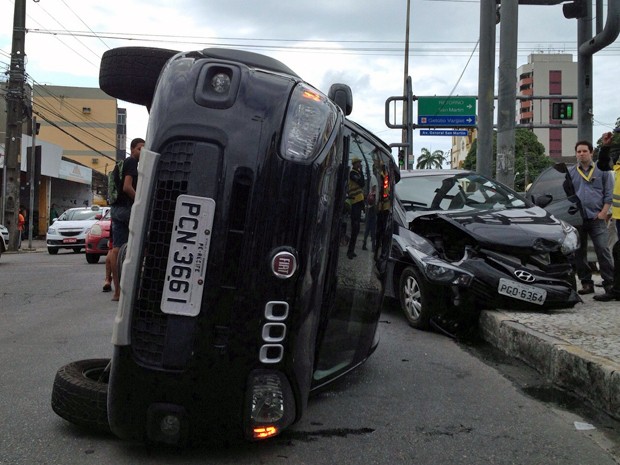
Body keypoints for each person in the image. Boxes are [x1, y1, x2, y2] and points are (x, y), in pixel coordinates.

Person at [568, 139, 614, 295]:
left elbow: (609, 194)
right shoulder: (571, 172)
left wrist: (603, 212)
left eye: (584, 151)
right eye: (578, 151)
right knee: (579, 253)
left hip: (597, 217)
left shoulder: (602, 169)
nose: (581, 154)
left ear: (591, 152)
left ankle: (609, 282)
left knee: (603, 250)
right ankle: (586, 283)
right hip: (578, 219)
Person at [108, 137, 144, 301]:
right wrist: (141, 201)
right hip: (127, 209)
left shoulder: (120, 164)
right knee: (142, 243)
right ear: (132, 149)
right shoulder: (131, 163)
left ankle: (117, 292)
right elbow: (127, 187)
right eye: (139, 148)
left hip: (115, 209)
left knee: (116, 249)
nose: (142, 151)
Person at [594, 131, 620, 301]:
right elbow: (603, 166)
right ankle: (617, 290)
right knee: (618, 251)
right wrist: (605, 146)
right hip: (618, 215)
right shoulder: (618, 158)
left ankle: (616, 290)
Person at [347, 157, 365, 259]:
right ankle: (350, 251)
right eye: (358, 163)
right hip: (354, 202)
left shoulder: (357, 173)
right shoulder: (353, 173)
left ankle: (351, 250)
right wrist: (361, 173)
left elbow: (363, 183)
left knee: (356, 229)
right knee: (355, 227)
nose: (359, 164)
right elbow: (362, 183)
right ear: (354, 164)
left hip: (358, 202)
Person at [362, 159, 379, 252]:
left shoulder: (372, 178)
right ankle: (372, 246)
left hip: (370, 206)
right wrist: (375, 203)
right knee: (372, 227)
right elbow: (373, 190)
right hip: (372, 206)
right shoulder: (374, 178)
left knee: (369, 226)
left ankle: (365, 243)